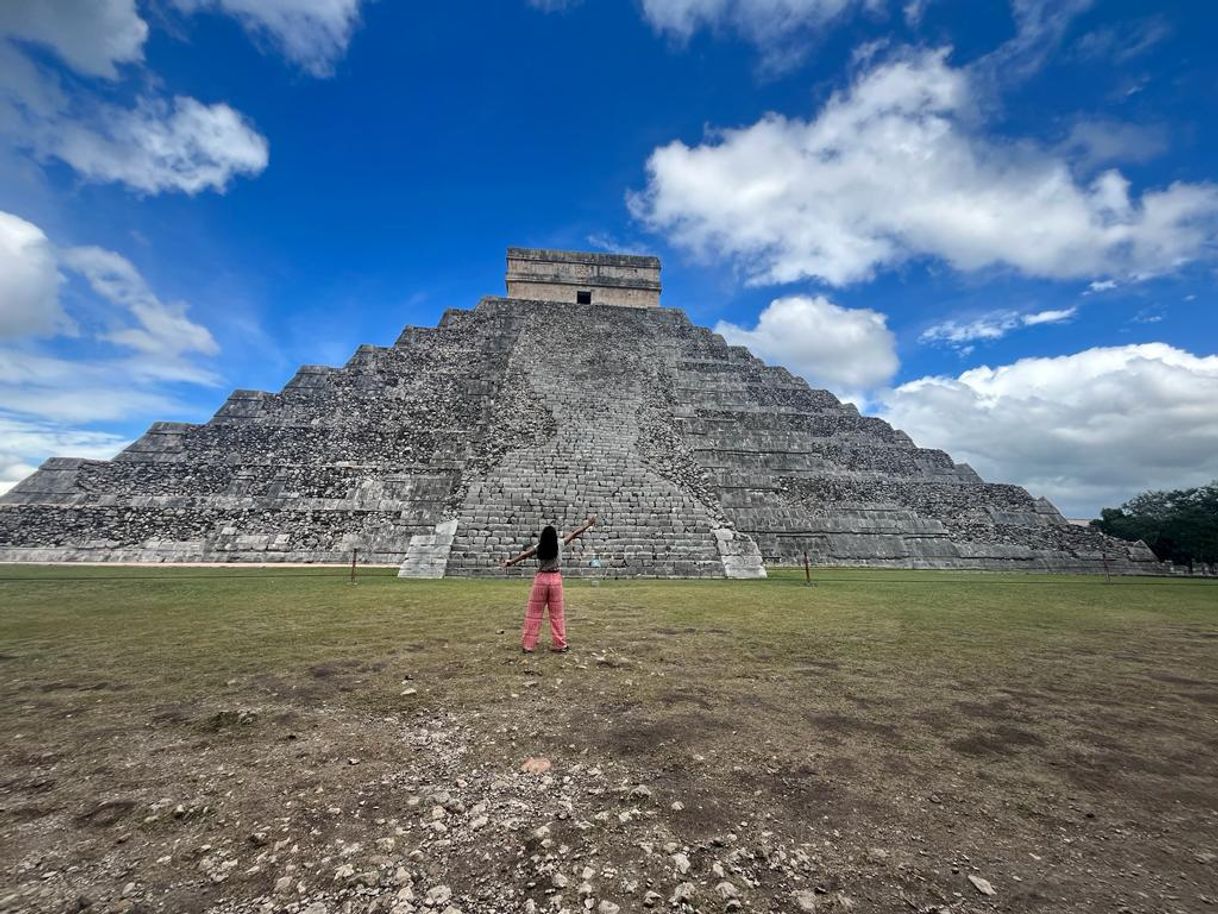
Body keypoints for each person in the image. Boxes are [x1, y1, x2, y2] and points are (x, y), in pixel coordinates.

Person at [503, 516, 597, 654]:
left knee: (533, 613)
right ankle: (560, 644)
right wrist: (588, 525)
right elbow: (575, 533)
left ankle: (528, 645)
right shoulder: (559, 543)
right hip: (555, 580)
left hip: (541, 579)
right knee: (557, 614)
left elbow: (524, 556)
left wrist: (510, 562)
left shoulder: (539, 547)